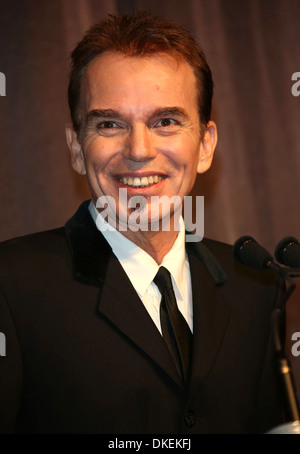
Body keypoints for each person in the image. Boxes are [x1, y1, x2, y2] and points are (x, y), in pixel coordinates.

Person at [0, 11, 284, 434]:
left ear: (205, 145)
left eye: (165, 121)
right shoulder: (11, 283)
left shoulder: (255, 285)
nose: (138, 149)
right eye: (110, 124)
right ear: (77, 149)